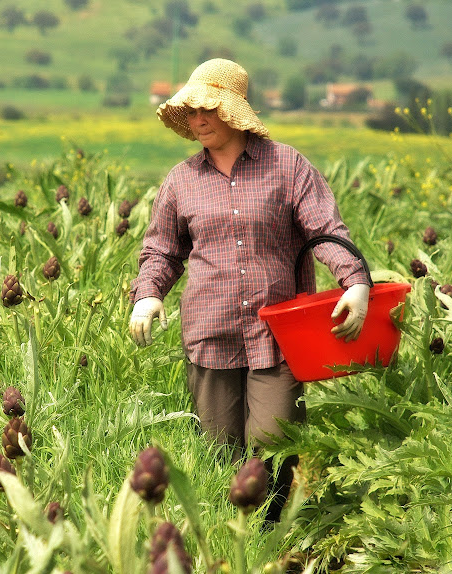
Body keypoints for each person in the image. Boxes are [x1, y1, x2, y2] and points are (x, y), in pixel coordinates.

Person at [128, 59, 370, 522]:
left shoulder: (288, 166)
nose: (198, 120)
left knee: (275, 449)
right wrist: (148, 293)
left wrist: (355, 281)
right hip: (210, 333)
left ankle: (276, 537)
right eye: (191, 112)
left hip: (278, 335)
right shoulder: (182, 181)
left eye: (208, 110)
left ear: (234, 112)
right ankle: (229, 542)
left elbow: (327, 229)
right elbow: (161, 249)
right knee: (220, 454)